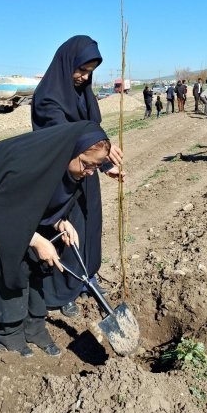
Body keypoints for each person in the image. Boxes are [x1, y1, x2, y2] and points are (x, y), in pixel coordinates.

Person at [0, 121, 111, 357]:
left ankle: (34, 326)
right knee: (7, 262)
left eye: (95, 168)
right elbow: (3, 212)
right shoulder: (27, 165)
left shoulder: (59, 160)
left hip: (10, 205)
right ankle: (9, 333)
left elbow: (39, 202)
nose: (89, 172)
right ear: (73, 151)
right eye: (87, 165)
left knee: (35, 263)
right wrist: (35, 239)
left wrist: (59, 221)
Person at [31, 35, 124, 318]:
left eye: (90, 73)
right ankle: (63, 291)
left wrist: (105, 163)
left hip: (86, 170)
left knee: (90, 224)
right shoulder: (48, 98)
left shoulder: (83, 94)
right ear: (67, 63)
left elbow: (92, 130)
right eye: (81, 70)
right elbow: (64, 137)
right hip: (61, 176)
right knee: (66, 232)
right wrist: (98, 147)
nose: (84, 78)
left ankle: (87, 277)